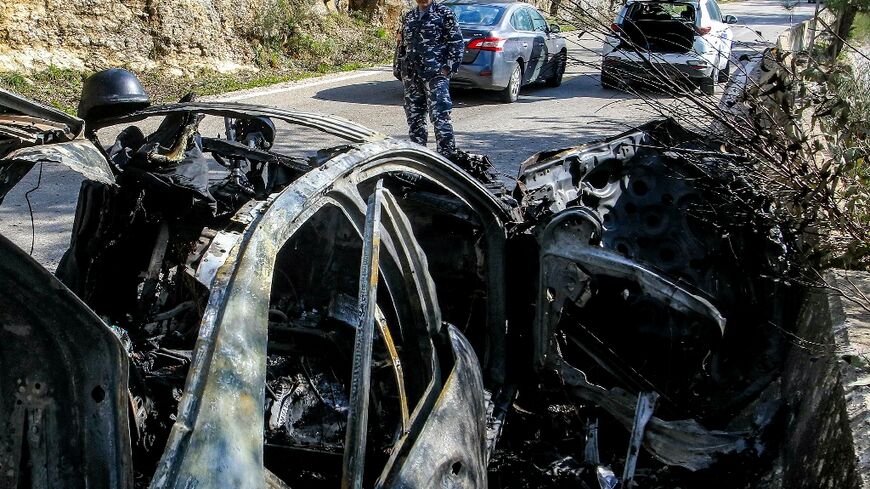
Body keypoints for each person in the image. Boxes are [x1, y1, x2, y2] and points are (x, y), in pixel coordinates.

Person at [399, 0, 464, 159]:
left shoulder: (444, 13)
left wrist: (448, 68)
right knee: (415, 119)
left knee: (440, 117)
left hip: (435, 76)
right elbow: (402, 44)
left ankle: (447, 158)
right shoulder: (409, 16)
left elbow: (456, 43)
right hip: (412, 76)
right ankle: (419, 157)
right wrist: (400, 67)